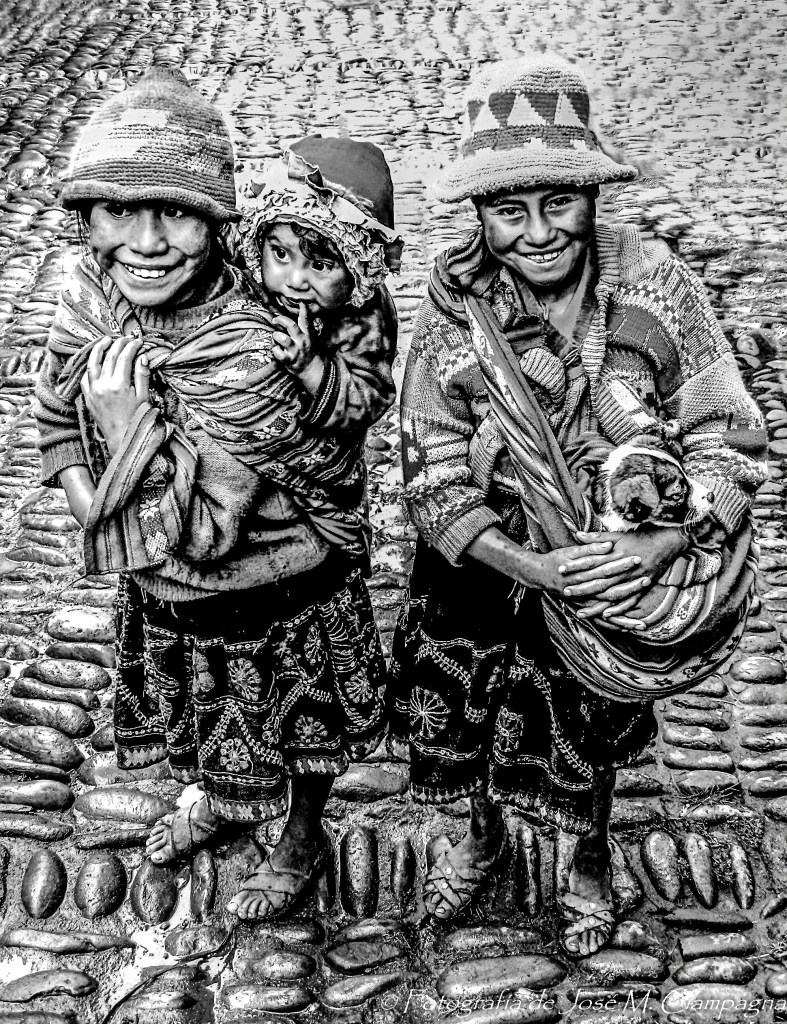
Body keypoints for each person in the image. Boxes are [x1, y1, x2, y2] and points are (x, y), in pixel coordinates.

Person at [389, 54, 766, 956]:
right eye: (507, 210)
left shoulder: (653, 284)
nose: (536, 233)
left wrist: (665, 541)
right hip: (485, 559)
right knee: (467, 705)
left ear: (591, 194)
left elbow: (725, 430)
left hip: (612, 558)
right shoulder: (456, 306)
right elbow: (427, 463)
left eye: (557, 202)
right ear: (479, 212)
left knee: (588, 715)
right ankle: (479, 834)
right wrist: (528, 564)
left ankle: (588, 854)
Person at [34, 69, 400, 921]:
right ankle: (224, 799)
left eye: (177, 211)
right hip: (165, 586)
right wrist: (92, 496)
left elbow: (199, 531)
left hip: (284, 582)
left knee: (302, 725)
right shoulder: (89, 301)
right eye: (117, 210)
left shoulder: (258, 335)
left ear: (221, 220)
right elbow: (54, 411)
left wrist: (127, 428)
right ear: (84, 219)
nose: (148, 241)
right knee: (207, 719)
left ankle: (301, 834)